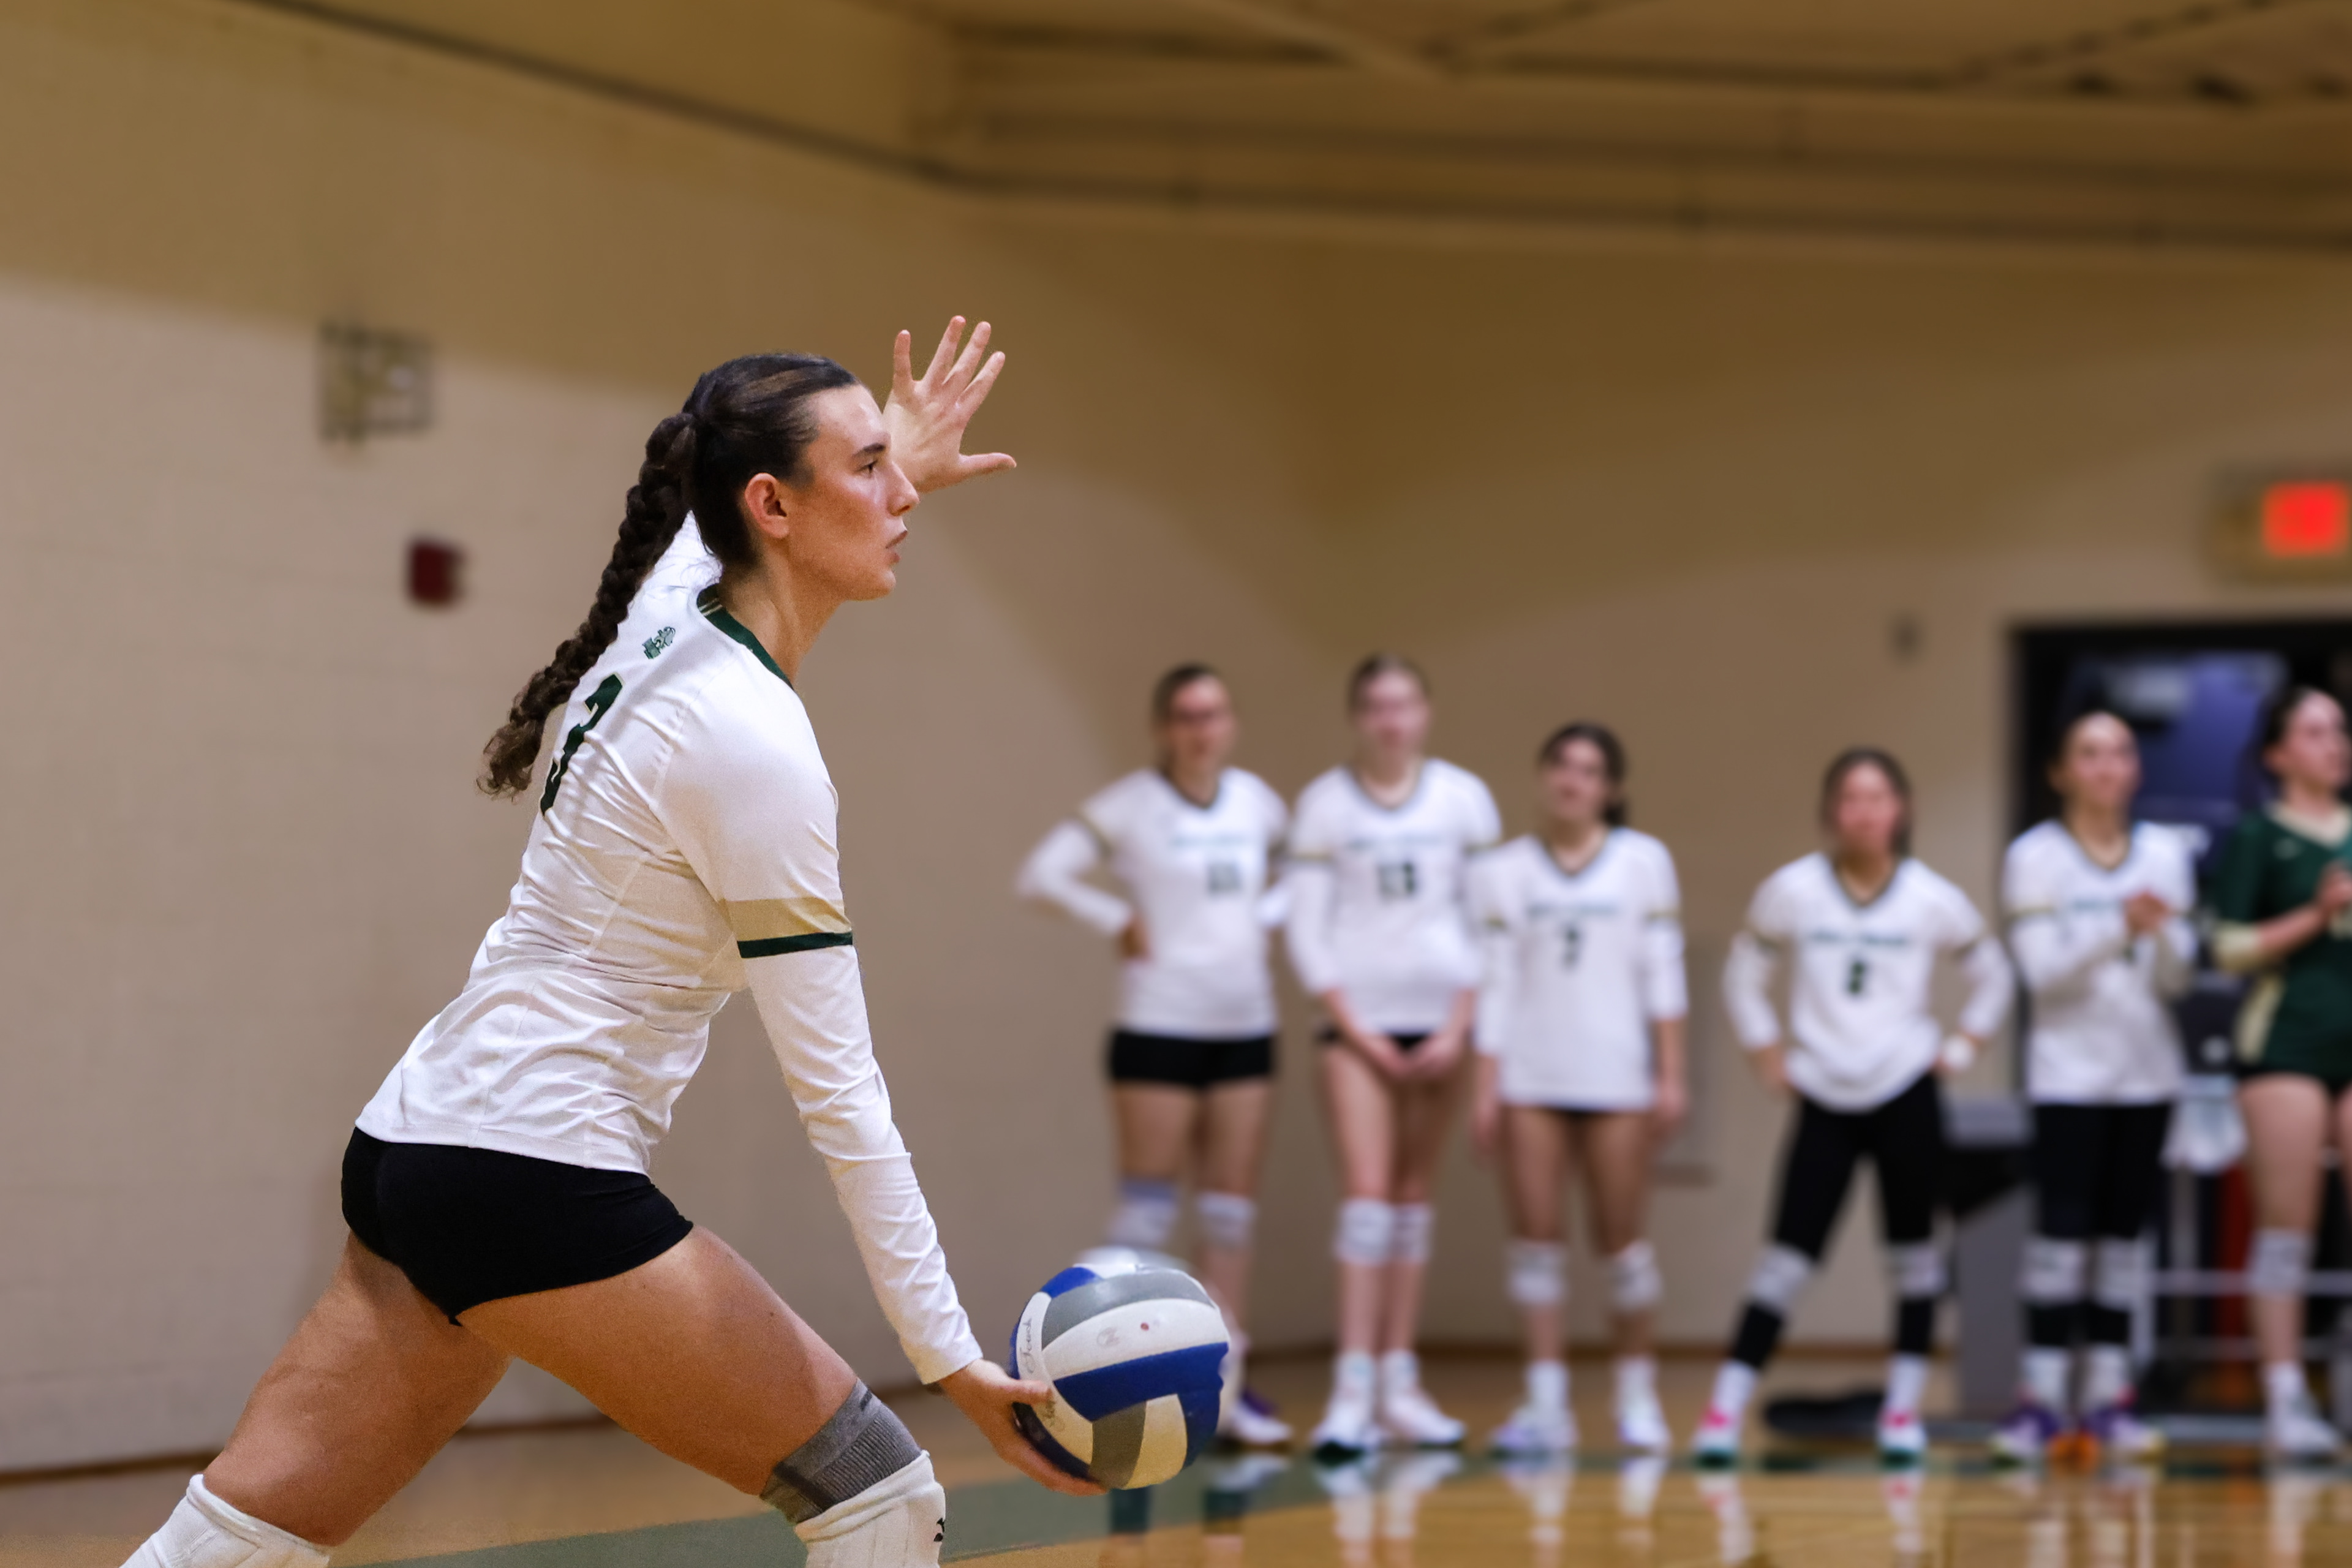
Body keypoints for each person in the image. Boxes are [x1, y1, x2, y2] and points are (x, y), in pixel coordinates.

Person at [115, 320, 1101, 1568]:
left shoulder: (675, 594)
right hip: (533, 1172)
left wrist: (886, 448)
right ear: (771, 504)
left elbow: (753, 481)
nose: (903, 492)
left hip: (421, 1146)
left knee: (247, 1534)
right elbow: (843, 1101)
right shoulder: (756, 747)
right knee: (882, 1500)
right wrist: (949, 1354)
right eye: (869, 469)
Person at [1691, 747, 2011, 1466]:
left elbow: (1993, 976)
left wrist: (1958, 1050)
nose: (1864, 811)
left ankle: (1902, 1412)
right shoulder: (1793, 891)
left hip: (1907, 1094)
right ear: (1831, 811)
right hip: (1825, 1098)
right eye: (1850, 798)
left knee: (1915, 1260)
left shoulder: (1931, 897)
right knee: (1785, 1260)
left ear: (1902, 811)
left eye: (1878, 797)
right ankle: (1724, 1411)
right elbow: (1746, 974)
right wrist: (1765, 1051)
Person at [1014, 665, 1294, 1446]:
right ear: (1163, 727)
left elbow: (1309, 874)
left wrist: (1267, 914)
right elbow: (1041, 874)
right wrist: (1114, 917)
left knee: (1230, 1210)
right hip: (1158, 1026)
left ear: (1230, 722)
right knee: (1148, 1207)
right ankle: (1102, 1376)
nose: (1201, 729)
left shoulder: (1258, 803)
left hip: (1246, 1025)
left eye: (1214, 713)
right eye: (1185, 715)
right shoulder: (1131, 805)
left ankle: (1227, 1384)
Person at [1286, 655, 1501, 1452]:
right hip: (1358, 1029)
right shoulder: (1325, 805)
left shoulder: (1463, 799)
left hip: (1443, 1023)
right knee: (1369, 1198)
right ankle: (1351, 1392)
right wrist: (1358, 1028)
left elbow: (1488, 921)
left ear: (1425, 713)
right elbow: (1307, 930)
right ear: (1357, 716)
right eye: (1375, 705)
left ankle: (1398, 1383)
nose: (1390, 719)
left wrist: (1458, 1024)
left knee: (1412, 1202)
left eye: (1404, 703)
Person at [1468, 722, 1687, 1455]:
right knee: (1534, 1246)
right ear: (1541, 774)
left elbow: (1664, 972)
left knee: (1622, 1247)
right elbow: (1494, 984)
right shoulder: (1503, 872)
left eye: (1589, 771)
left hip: (1617, 1077)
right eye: (1560, 764)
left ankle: (1636, 1393)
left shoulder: (1643, 862)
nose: (1572, 780)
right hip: (1531, 1076)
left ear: (1611, 789)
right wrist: (1486, 1084)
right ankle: (1545, 1404)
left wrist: (1672, 1072)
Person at [1990, 710, 2196, 1465]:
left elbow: (2177, 976)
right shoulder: (2035, 857)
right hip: (2066, 1077)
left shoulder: (2165, 853)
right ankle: (2040, 1400)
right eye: (2090, 752)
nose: (2107, 766)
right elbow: (2042, 972)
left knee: (2124, 1241)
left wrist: (2164, 935)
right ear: (2060, 771)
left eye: (2120, 752)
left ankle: (2109, 1398)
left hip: (2146, 1074)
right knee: (2059, 1239)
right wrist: (2119, 925)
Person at [2209, 684, 2352, 1460]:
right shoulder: (2261, 835)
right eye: (2315, 731)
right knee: (2287, 1230)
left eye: (2339, 729)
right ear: (2278, 754)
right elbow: (2227, 947)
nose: (2335, 743)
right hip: (2286, 1047)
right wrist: (2314, 913)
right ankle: (2285, 1397)